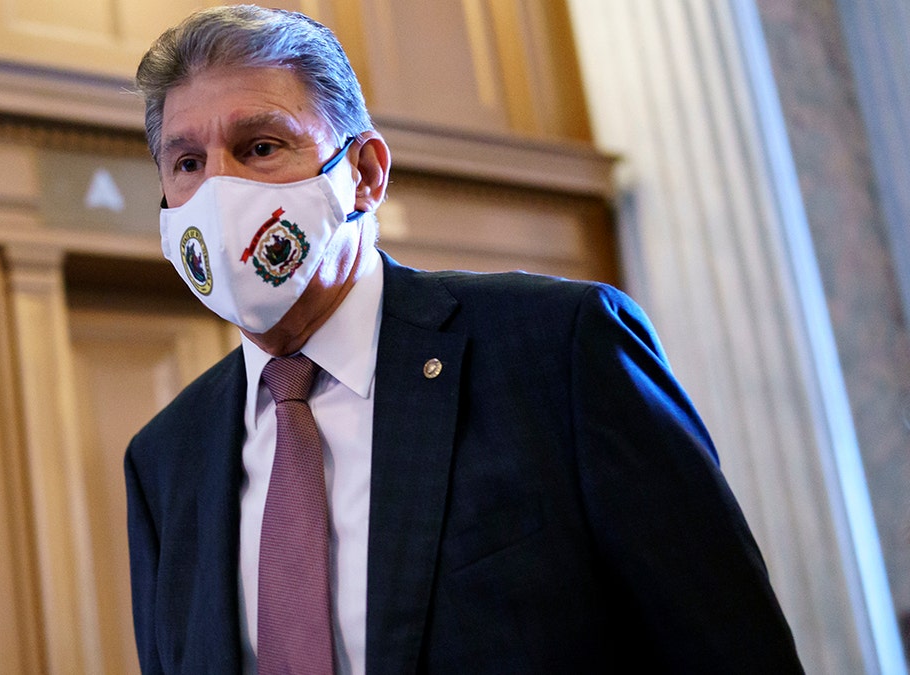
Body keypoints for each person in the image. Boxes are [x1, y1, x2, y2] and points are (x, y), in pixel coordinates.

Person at [124, 5, 803, 674]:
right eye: (187, 163)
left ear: (364, 173)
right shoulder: (166, 459)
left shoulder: (558, 353)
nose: (219, 190)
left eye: (261, 147)